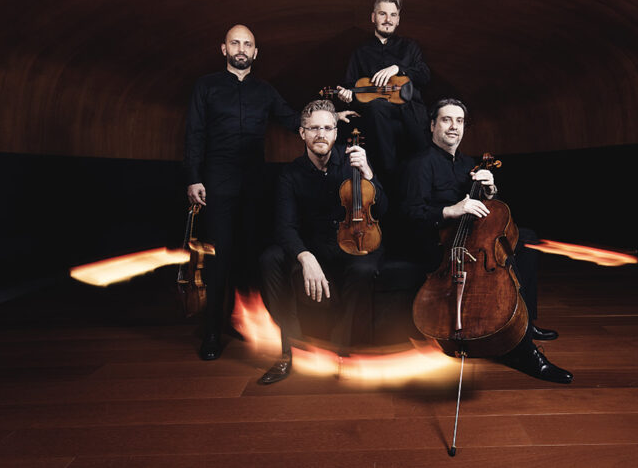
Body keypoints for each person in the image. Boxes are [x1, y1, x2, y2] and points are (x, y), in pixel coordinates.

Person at [400, 98, 572, 384]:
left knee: (525, 240)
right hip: (437, 242)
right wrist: (451, 210)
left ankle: (525, 319)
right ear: (432, 125)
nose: (453, 127)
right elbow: (409, 214)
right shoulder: (418, 165)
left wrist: (489, 191)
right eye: (446, 120)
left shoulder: (469, 162)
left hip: (469, 238)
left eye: (459, 121)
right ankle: (522, 351)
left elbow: (484, 210)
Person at [184, 24, 300, 361]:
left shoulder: (265, 91)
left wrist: (328, 117)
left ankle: (252, 325)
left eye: (247, 44)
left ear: (255, 52)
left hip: (255, 182)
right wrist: (193, 178)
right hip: (216, 181)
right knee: (220, 258)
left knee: (253, 256)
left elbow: (293, 119)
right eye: (235, 42)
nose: (241, 48)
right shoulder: (205, 86)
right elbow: (194, 134)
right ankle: (210, 334)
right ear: (223, 49)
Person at [257, 100, 387, 385]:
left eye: (328, 127)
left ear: (336, 133)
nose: (321, 134)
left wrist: (369, 176)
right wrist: (305, 256)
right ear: (302, 133)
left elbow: (383, 210)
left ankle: (342, 351)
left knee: (364, 269)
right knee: (270, 259)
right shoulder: (290, 174)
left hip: (352, 241)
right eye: (314, 128)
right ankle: (287, 353)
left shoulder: (354, 162)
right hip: (312, 245)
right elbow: (285, 227)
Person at [335, 0, 431, 180]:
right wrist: (347, 95)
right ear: (373, 17)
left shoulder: (410, 47)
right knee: (377, 107)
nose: (388, 19)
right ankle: (387, 176)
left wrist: (399, 69)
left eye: (393, 15)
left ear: (398, 20)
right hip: (379, 120)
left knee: (421, 162)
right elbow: (351, 87)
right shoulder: (360, 52)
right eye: (382, 14)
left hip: (409, 114)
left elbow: (425, 75)